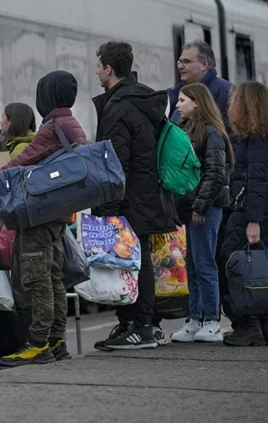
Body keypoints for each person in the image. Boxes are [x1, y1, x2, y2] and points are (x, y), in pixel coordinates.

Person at [0, 70, 85, 364]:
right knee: (53, 278)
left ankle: (37, 344)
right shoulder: (70, 124)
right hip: (57, 215)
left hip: (40, 216)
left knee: (38, 281)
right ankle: (56, 341)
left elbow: (21, 162)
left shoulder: (54, 127)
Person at [88, 41, 176, 350]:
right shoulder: (141, 99)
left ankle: (141, 328)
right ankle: (137, 323)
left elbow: (115, 162)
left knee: (135, 263)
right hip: (146, 193)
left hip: (129, 198)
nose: (96, 71)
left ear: (109, 69)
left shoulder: (119, 106)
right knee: (137, 261)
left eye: (98, 66)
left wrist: (107, 208)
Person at [169, 83, 233, 343]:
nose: (177, 105)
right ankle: (194, 318)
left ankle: (211, 321)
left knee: (205, 264)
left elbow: (216, 173)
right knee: (192, 266)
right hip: (192, 207)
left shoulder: (211, 133)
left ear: (197, 103)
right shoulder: (186, 131)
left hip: (205, 208)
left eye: (183, 100)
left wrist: (200, 206)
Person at [219, 81, 268, 346]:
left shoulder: (256, 140)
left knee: (232, 265)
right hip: (252, 211)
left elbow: (258, 182)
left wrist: (253, 221)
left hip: (249, 212)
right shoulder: (257, 136)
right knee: (259, 268)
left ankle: (247, 325)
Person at [169, 40, 233, 127]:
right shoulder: (175, 92)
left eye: (186, 62)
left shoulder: (227, 93)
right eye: (179, 62)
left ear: (204, 65)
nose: (180, 66)